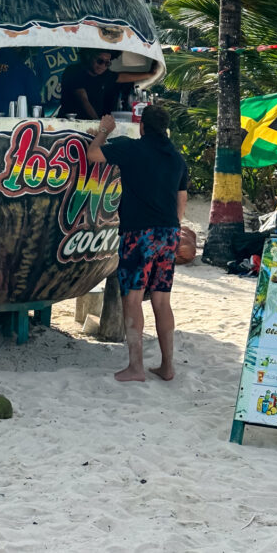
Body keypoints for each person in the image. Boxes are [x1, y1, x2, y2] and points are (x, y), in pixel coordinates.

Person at [87, 105, 188, 383]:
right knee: (161, 300)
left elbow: (93, 154)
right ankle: (167, 367)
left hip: (138, 234)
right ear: (165, 128)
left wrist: (104, 130)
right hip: (168, 234)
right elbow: (181, 204)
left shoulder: (132, 148)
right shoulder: (177, 159)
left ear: (142, 126)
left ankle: (136, 367)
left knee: (132, 298)